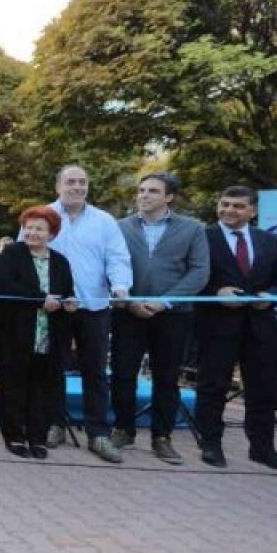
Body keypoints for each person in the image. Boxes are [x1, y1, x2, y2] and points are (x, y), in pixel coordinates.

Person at [194, 186, 277, 474]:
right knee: (213, 385)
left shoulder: (271, 241)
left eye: (238, 206)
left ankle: (263, 449)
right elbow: (190, 275)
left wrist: (272, 295)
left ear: (252, 211)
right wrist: (217, 291)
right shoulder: (202, 238)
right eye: (224, 204)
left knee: (263, 388)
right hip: (216, 324)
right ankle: (211, 444)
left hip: (260, 326)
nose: (229, 210)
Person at [109, 173, 210, 464]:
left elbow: (199, 271)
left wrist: (163, 302)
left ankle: (161, 436)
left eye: (153, 191)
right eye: (141, 190)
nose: (144, 195)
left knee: (166, 377)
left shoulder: (192, 229)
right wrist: (129, 302)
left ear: (168, 197)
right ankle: (123, 429)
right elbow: (110, 264)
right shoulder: (120, 227)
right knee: (122, 374)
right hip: (128, 313)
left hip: (172, 315)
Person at [42, 165, 132, 463]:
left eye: (82, 182)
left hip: (93, 308)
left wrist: (120, 286)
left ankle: (98, 433)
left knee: (95, 371)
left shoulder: (104, 221)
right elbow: (25, 255)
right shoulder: (42, 216)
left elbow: (117, 258)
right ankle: (53, 423)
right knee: (51, 368)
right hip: (55, 308)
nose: (77, 187)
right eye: (71, 182)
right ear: (58, 186)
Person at [0, 206, 77, 459]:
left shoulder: (60, 261)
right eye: (28, 228)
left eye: (39, 228)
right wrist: (40, 300)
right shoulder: (12, 253)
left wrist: (70, 303)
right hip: (13, 335)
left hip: (48, 337)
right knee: (12, 388)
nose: (32, 233)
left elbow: (67, 290)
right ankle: (15, 437)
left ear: (51, 233)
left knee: (42, 389)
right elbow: (4, 285)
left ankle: (37, 438)